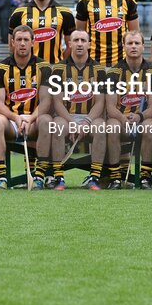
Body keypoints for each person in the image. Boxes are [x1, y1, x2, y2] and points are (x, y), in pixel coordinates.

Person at [38, 30, 109, 190]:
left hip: (90, 117)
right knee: (56, 125)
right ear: (69, 43)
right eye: (75, 40)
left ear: (89, 44)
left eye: (83, 40)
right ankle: (59, 177)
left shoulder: (98, 70)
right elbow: (57, 102)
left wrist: (86, 122)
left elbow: (100, 102)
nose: (79, 43)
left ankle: (94, 177)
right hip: (66, 116)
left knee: (101, 127)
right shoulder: (59, 69)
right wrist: (72, 123)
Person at [105, 30, 152, 189]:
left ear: (144, 46)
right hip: (121, 119)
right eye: (130, 43)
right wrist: (124, 119)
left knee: (150, 126)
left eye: (137, 43)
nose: (133, 46)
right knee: (112, 126)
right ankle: (115, 177)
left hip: (142, 118)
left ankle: (145, 177)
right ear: (124, 46)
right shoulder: (114, 73)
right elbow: (110, 107)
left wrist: (139, 117)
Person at [0, 25, 43, 189]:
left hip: (34, 119)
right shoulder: (0, 68)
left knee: (46, 121)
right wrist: (16, 117)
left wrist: (31, 119)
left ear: (33, 42)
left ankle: (37, 176)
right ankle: (2, 177)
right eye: (18, 40)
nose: (22, 43)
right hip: (11, 120)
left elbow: (47, 102)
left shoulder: (44, 67)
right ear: (12, 42)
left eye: (26, 40)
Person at [75, 0, 139, 67]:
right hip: (92, 64)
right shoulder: (85, 2)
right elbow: (79, 35)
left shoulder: (128, 0)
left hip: (122, 63)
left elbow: (135, 34)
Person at [8, 0, 75, 64]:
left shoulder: (64, 13)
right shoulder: (18, 13)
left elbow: (71, 46)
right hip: (28, 71)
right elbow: (12, 47)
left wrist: (60, 65)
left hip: (54, 70)